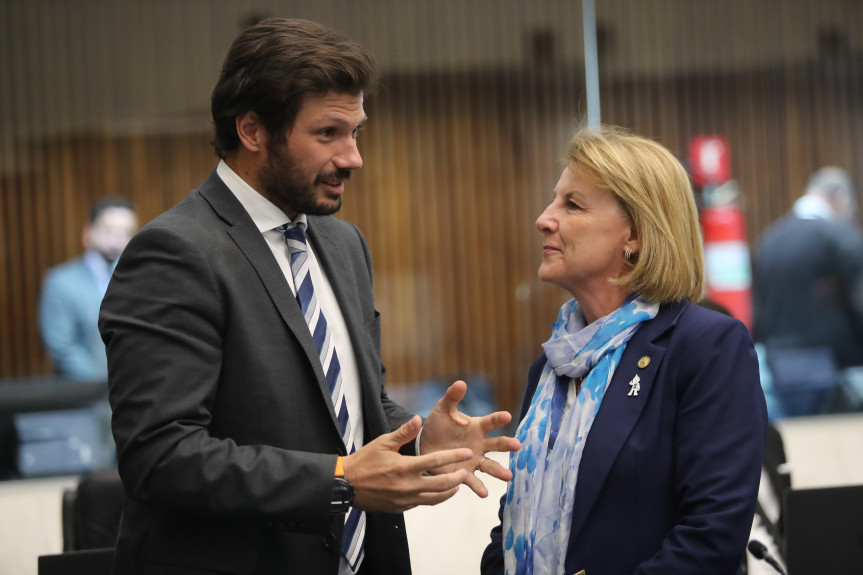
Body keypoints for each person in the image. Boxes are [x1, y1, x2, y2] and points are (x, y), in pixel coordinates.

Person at [99, 18, 519, 575]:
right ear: (252, 130)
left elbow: (342, 411)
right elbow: (160, 457)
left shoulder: (342, 243)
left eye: (356, 132)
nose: (353, 158)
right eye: (328, 134)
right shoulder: (175, 253)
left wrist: (420, 440)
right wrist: (338, 483)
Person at [481, 126, 767, 575]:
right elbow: (516, 519)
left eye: (572, 204)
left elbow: (711, 538)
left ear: (634, 235)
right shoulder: (552, 364)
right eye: (555, 200)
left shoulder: (705, 347)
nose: (544, 218)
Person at [753, 166, 863, 417]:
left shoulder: (770, 239)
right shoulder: (838, 237)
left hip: (778, 365)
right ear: (840, 198)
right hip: (833, 369)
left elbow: (759, 310)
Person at [38, 197, 137, 381]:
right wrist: (107, 384)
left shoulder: (140, 280)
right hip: (85, 394)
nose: (117, 238)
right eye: (109, 230)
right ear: (88, 232)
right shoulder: (61, 282)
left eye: (126, 232)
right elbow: (62, 347)